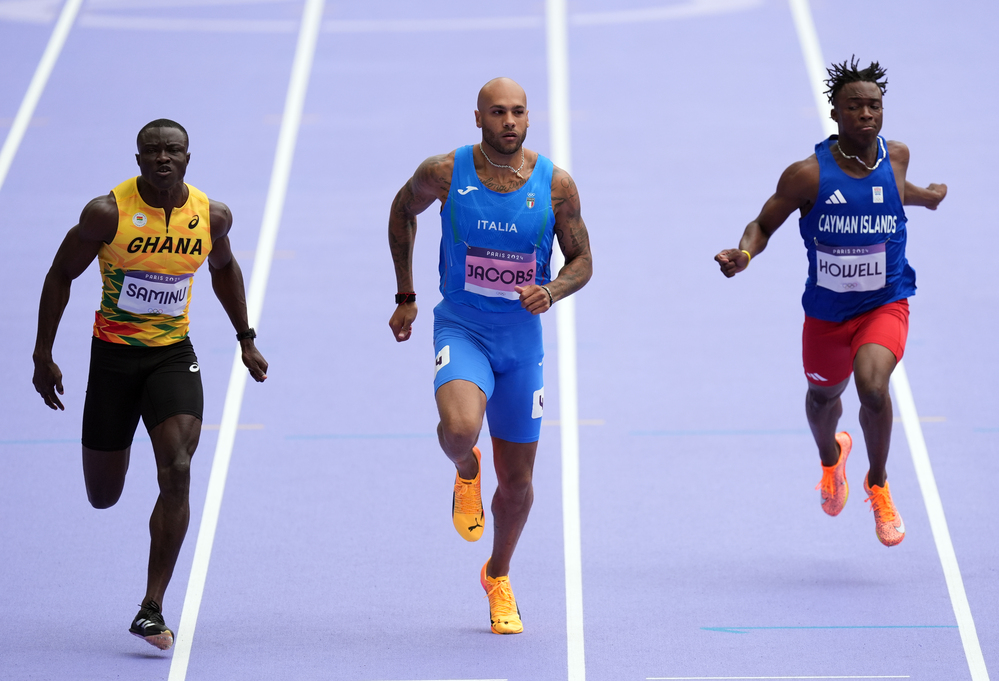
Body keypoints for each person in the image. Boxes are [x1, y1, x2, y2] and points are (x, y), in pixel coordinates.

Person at [32, 119, 268, 650]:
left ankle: (151, 606)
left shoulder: (211, 216)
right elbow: (59, 274)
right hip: (113, 360)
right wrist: (42, 353)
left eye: (173, 151)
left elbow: (224, 270)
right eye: (152, 151)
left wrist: (245, 336)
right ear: (138, 158)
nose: (163, 159)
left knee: (179, 469)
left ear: (189, 156)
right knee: (103, 496)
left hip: (171, 357)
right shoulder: (106, 213)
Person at [387, 78, 592, 633]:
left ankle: (498, 575)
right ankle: (465, 469)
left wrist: (551, 290)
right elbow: (401, 211)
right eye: (497, 112)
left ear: (529, 118)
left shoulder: (556, 186)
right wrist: (407, 295)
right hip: (463, 328)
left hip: (521, 343)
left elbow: (582, 261)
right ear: (478, 118)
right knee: (458, 431)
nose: (509, 121)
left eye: (518, 112)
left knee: (520, 485)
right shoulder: (444, 172)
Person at [715, 58, 946, 547]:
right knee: (823, 399)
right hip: (826, 314)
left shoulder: (896, 154)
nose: (867, 114)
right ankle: (830, 459)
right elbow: (763, 224)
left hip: (886, 302)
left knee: (873, 387)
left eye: (874, 106)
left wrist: (928, 197)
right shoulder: (807, 175)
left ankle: (878, 483)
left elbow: (892, 191)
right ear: (836, 114)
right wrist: (745, 253)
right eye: (855, 106)